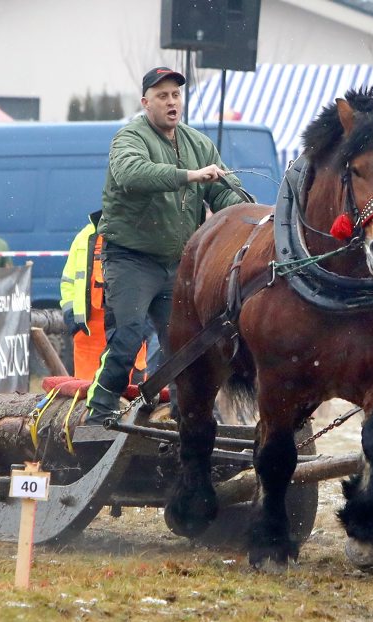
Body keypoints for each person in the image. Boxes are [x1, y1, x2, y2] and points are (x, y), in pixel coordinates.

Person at [84, 66, 250, 424]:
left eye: (176, 94)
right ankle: (98, 413)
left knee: (186, 348)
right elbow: (131, 174)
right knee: (128, 339)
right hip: (130, 259)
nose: (172, 101)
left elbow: (221, 190)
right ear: (146, 103)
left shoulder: (199, 143)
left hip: (176, 263)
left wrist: (251, 212)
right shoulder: (128, 138)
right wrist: (188, 175)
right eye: (162, 96)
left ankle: (185, 415)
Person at [60, 211, 147, 382]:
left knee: (129, 392)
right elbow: (68, 280)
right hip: (88, 331)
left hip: (126, 328)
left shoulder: (139, 235)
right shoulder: (84, 237)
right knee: (85, 393)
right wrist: (72, 317)